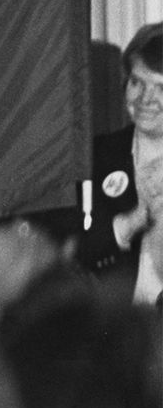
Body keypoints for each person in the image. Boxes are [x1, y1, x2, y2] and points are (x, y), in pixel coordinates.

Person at [78, 22, 163, 305]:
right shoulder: (97, 155)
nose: (145, 99)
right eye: (137, 82)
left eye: (161, 87)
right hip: (122, 330)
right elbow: (72, 249)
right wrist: (132, 221)